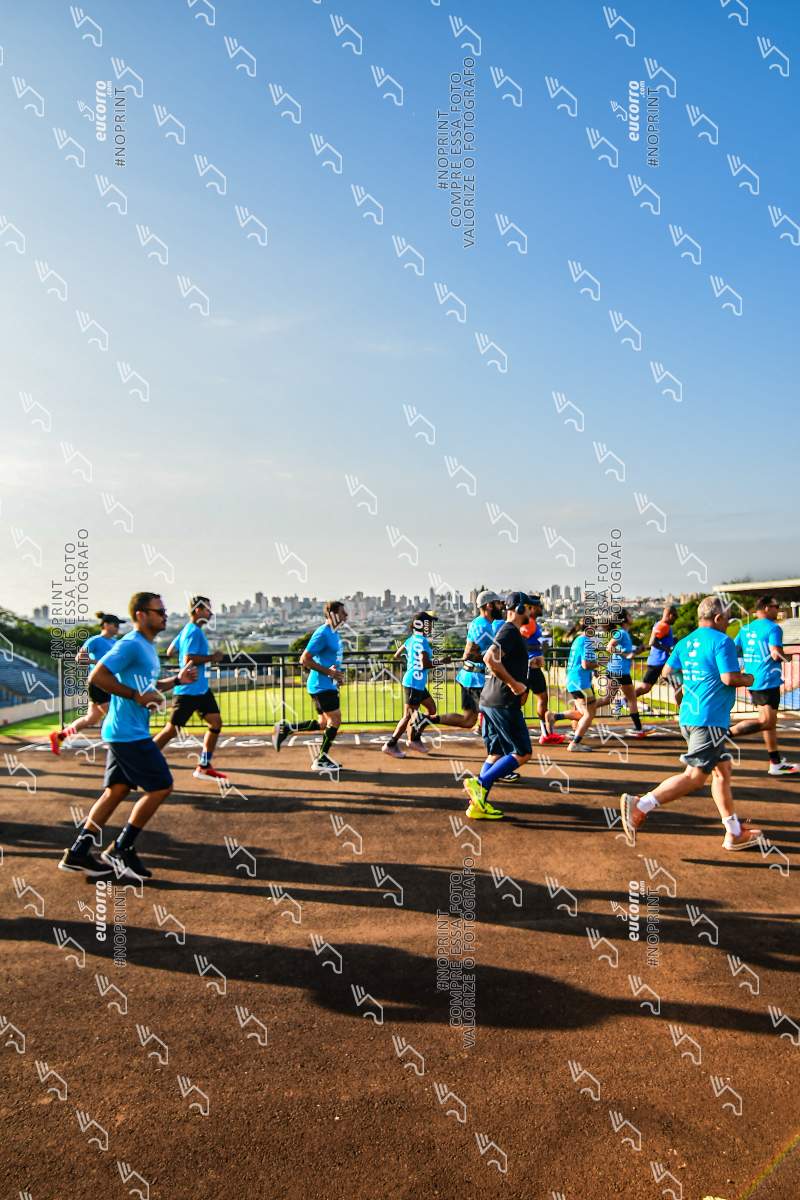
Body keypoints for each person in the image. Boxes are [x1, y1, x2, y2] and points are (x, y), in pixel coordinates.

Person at [58, 591, 198, 881]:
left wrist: (177, 680)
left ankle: (78, 852)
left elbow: (148, 687)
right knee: (161, 787)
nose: (165, 616)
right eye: (159, 611)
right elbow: (97, 676)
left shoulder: (146, 647)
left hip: (124, 731)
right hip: (128, 734)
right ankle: (121, 848)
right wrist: (135, 696)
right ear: (141, 615)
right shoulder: (131, 644)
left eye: (164, 611)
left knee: (117, 790)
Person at [620, 594, 762, 851]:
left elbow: (666, 672)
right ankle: (641, 805)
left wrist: (682, 690)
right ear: (717, 618)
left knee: (722, 770)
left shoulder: (685, 642)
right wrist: (749, 679)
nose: (728, 622)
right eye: (727, 618)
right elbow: (729, 678)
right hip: (709, 720)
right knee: (695, 777)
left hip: (690, 716)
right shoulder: (722, 641)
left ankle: (733, 832)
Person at [462, 593, 534, 819]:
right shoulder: (509, 630)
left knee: (496, 752)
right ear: (519, 609)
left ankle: (478, 805)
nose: (531, 612)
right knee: (523, 752)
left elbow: (499, 660)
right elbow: (490, 658)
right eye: (529, 607)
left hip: (490, 701)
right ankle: (480, 783)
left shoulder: (509, 631)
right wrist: (515, 685)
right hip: (503, 702)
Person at [412, 590, 505, 742]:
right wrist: (492, 658)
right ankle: (497, 744)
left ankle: (426, 719)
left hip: (475, 677)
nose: (501, 606)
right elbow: (468, 654)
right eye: (498, 603)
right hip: (475, 679)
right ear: (489, 605)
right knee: (494, 711)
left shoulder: (483, 623)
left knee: (469, 720)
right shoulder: (482, 625)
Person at [153, 596, 227, 781]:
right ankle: (142, 760)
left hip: (201, 690)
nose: (210, 613)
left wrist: (185, 656)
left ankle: (204, 766)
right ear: (198, 610)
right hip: (189, 690)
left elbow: (171, 651)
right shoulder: (194, 631)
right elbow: (188, 658)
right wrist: (212, 658)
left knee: (216, 723)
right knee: (171, 730)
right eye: (207, 609)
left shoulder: (188, 629)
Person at [273, 600, 347, 772]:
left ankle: (286, 729)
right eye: (342, 612)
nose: (346, 615)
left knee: (323, 723)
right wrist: (329, 673)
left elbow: (330, 660)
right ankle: (321, 759)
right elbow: (304, 659)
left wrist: (337, 677)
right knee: (335, 719)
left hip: (328, 684)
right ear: (332, 614)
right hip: (321, 685)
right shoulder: (322, 633)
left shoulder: (334, 633)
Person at [730, 596, 798, 775]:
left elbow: (734, 650)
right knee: (766, 722)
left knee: (770, 723)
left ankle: (775, 762)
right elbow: (776, 654)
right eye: (776, 606)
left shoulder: (745, 628)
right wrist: (789, 656)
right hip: (767, 681)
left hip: (754, 680)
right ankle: (726, 734)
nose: (778, 609)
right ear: (767, 608)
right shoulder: (773, 628)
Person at [49, 612, 126, 753]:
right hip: (98, 683)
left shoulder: (115, 642)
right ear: (106, 625)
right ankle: (112, 742)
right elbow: (79, 658)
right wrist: (99, 662)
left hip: (110, 683)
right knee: (113, 714)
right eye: (115, 625)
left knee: (91, 719)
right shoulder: (95, 641)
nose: (118, 628)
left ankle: (60, 736)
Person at [382, 612, 439, 758]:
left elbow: (397, 655)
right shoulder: (422, 641)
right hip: (414, 682)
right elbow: (425, 664)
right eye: (430, 624)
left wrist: (411, 661)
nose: (431, 627)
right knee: (407, 716)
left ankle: (414, 738)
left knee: (432, 709)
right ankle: (391, 744)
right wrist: (441, 662)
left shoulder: (411, 639)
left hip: (416, 682)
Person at [520, 595, 566, 746]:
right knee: (520, 701)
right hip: (528, 667)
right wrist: (534, 652)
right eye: (539, 606)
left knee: (542, 697)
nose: (541, 608)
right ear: (531, 608)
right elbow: (520, 641)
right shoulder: (529, 622)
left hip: (532, 667)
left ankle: (545, 733)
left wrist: (543, 645)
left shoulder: (533, 623)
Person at [605, 610, 648, 736]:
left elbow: (629, 654)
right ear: (624, 619)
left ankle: (585, 710)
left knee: (609, 699)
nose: (632, 616)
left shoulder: (625, 634)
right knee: (631, 699)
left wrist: (639, 650)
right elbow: (609, 647)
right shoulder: (622, 633)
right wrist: (625, 655)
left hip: (616, 670)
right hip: (620, 671)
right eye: (629, 615)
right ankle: (639, 729)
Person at [565, 617, 598, 752]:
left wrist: (593, 668)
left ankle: (554, 717)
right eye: (595, 626)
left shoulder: (578, 639)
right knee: (589, 713)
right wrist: (600, 663)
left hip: (574, 681)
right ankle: (575, 743)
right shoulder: (586, 641)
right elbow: (586, 664)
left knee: (583, 712)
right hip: (581, 683)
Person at [635, 605, 679, 703]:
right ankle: (683, 710)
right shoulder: (664, 625)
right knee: (679, 686)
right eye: (675, 617)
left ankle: (624, 700)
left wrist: (673, 640)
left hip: (656, 662)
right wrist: (667, 649)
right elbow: (652, 642)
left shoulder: (659, 624)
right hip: (661, 662)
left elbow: (660, 640)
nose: (676, 620)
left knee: (645, 687)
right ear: (670, 615)